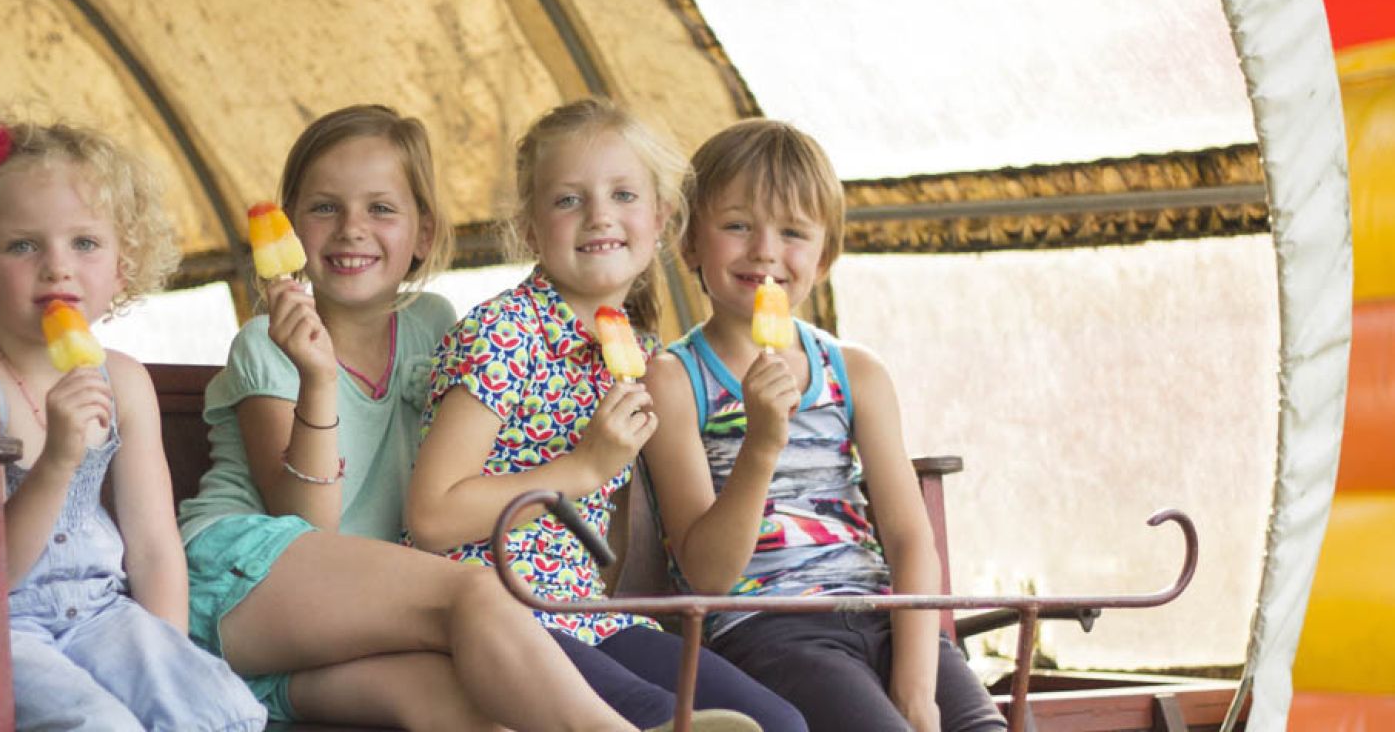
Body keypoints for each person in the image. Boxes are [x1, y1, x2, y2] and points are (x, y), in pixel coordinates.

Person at [175, 104, 673, 731]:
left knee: (472, 711)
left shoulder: (434, 326)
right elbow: (306, 528)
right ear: (290, 229)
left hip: (350, 634)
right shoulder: (263, 346)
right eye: (325, 208)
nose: (352, 228)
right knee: (474, 592)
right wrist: (318, 377)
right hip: (243, 592)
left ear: (425, 235)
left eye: (381, 209)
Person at [408, 97, 806, 732]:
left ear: (662, 221)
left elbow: (707, 569)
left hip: (591, 614)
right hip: (490, 616)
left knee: (780, 724)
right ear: (532, 229)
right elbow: (430, 517)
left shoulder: (645, 362)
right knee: (663, 721)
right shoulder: (504, 333)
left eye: (624, 195)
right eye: (568, 200)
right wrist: (584, 468)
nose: (599, 217)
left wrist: (762, 441)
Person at [0, 119, 267, 730]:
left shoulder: (123, 379)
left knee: (210, 707)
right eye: (22, 246)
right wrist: (59, 458)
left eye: (85, 243)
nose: (56, 268)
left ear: (124, 265)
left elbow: (152, 546)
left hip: (100, 616)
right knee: (101, 724)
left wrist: (167, 661)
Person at [639, 119, 1008, 732]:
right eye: (736, 225)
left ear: (825, 256)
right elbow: (707, 575)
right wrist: (761, 443)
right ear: (690, 244)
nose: (764, 251)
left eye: (792, 232)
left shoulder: (856, 373)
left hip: (888, 616)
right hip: (768, 629)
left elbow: (911, 541)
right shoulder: (674, 380)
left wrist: (917, 690)